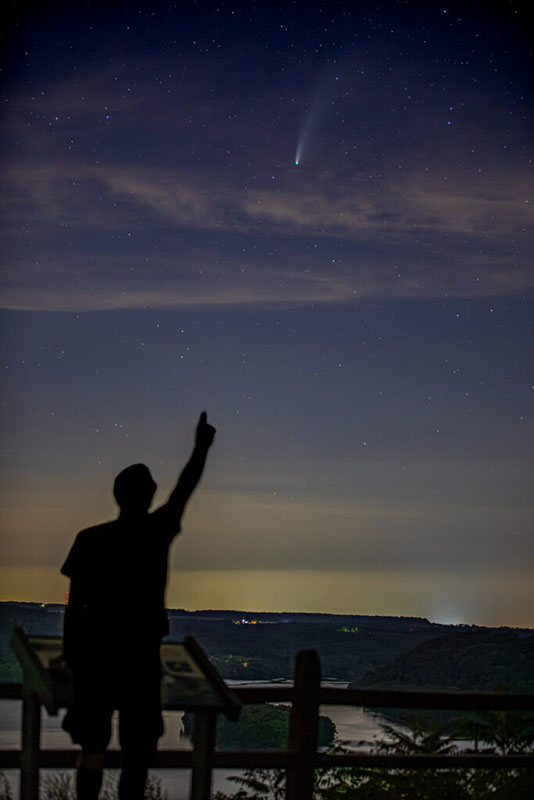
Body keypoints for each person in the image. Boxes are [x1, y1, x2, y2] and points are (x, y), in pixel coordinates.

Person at [60, 412, 216, 800]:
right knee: (136, 755)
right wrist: (200, 449)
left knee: (92, 749)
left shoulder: (90, 540)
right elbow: (183, 491)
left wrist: (71, 654)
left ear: (117, 495)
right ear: (148, 495)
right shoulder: (155, 533)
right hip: (139, 659)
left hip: (95, 659)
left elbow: (73, 605)